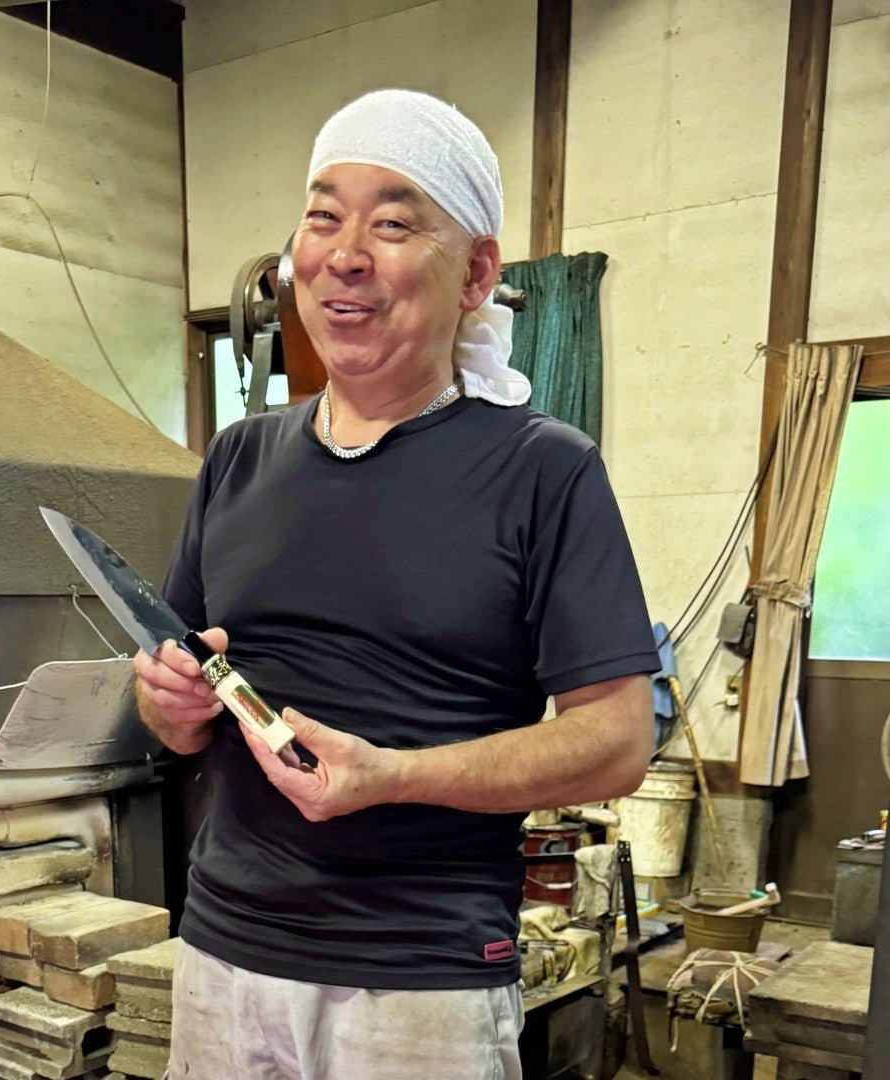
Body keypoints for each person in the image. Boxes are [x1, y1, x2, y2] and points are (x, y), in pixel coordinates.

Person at [134, 89, 658, 1080]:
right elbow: (184, 707)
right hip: (223, 959)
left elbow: (620, 740)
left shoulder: (544, 470)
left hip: (419, 981)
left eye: (394, 222)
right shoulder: (238, 458)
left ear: (477, 274)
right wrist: (165, 700)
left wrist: (395, 776)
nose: (345, 254)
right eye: (324, 216)